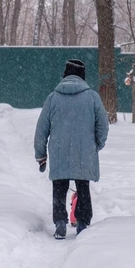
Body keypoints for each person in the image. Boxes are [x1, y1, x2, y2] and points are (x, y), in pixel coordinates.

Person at [34, 59, 109, 240]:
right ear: (83, 76)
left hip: (59, 151)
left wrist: (41, 154)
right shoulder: (92, 97)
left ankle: (60, 222)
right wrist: (96, 145)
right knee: (83, 187)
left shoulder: (53, 97)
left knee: (59, 187)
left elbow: (41, 128)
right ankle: (83, 223)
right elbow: (103, 125)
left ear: (65, 75)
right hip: (84, 152)